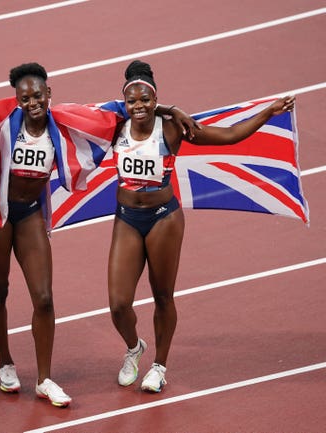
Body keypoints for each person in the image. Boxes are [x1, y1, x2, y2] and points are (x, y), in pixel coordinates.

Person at [0, 62, 199, 407]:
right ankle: (5, 363)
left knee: (45, 298)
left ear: (48, 93)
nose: (32, 102)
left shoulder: (63, 120)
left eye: (37, 95)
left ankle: (44, 379)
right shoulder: (1, 116)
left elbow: (118, 110)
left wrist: (170, 108)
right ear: (16, 99)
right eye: (25, 97)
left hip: (31, 215)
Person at [108, 60, 295, 393]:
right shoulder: (113, 125)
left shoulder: (170, 129)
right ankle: (134, 348)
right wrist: (172, 106)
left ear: (154, 100)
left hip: (163, 217)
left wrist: (267, 113)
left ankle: (159, 366)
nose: (138, 107)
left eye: (146, 101)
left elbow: (229, 137)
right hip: (126, 218)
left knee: (162, 296)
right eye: (132, 101)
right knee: (119, 304)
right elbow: (77, 115)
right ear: (124, 103)